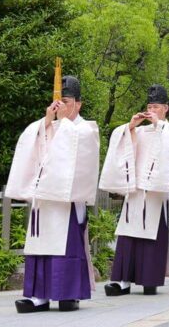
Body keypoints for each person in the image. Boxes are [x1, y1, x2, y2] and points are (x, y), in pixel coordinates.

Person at [6, 76, 99, 313]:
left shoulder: (86, 129)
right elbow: (30, 144)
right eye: (57, 101)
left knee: (66, 246)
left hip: (66, 202)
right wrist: (47, 121)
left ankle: (69, 294)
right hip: (44, 199)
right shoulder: (48, 126)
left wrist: (62, 122)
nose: (59, 106)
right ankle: (39, 296)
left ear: (78, 104)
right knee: (41, 245)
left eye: (65, 102)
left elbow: (80, 159)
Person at [100, 84, 169, 296]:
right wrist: (130, 126)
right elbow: (122, 144)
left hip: (155, 194)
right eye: (149, 106)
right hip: (136, 191)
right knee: (128, 235)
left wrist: (159, 124)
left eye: (156, 107)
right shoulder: (139, 131)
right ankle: (123, 281)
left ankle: (150, 279)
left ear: (166, 108)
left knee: (151, 235)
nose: (152, 110)